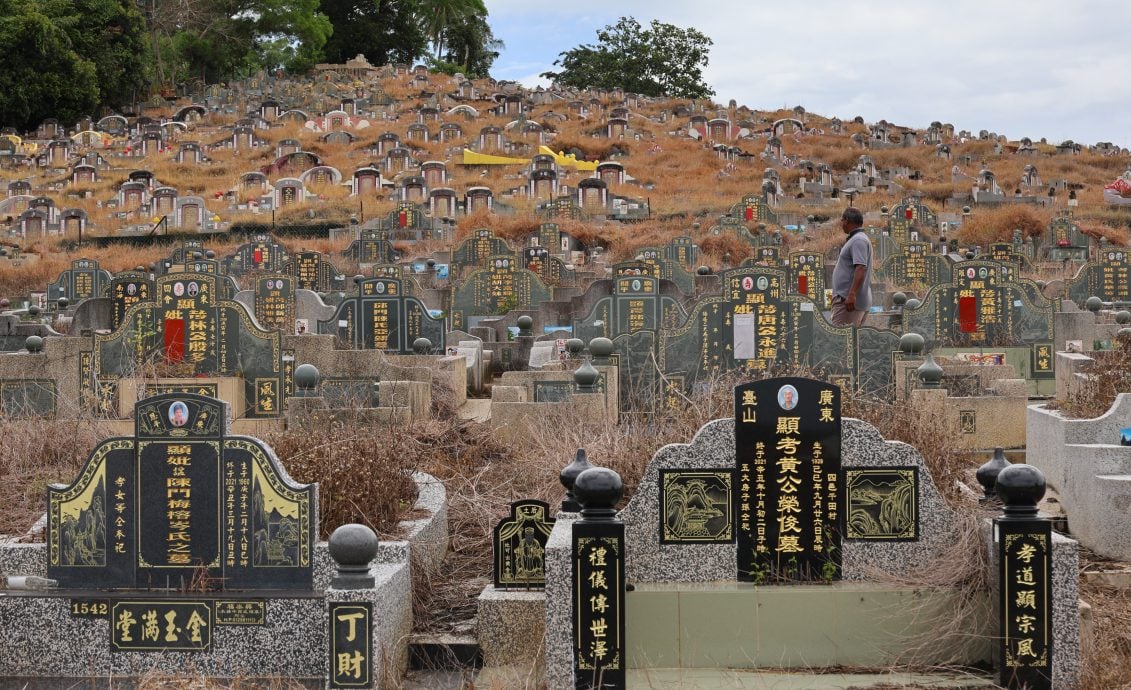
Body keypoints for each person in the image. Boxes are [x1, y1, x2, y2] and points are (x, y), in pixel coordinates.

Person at [830, 207, 873, 327]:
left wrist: (851, 294)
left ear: (847, 220)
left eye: (842, 220)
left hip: (849, 302)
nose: (841, 224)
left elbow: (860, 268)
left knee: (840, 340)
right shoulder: (857, 238)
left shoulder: (858, 240)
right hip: (849, 299)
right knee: (851, 341)